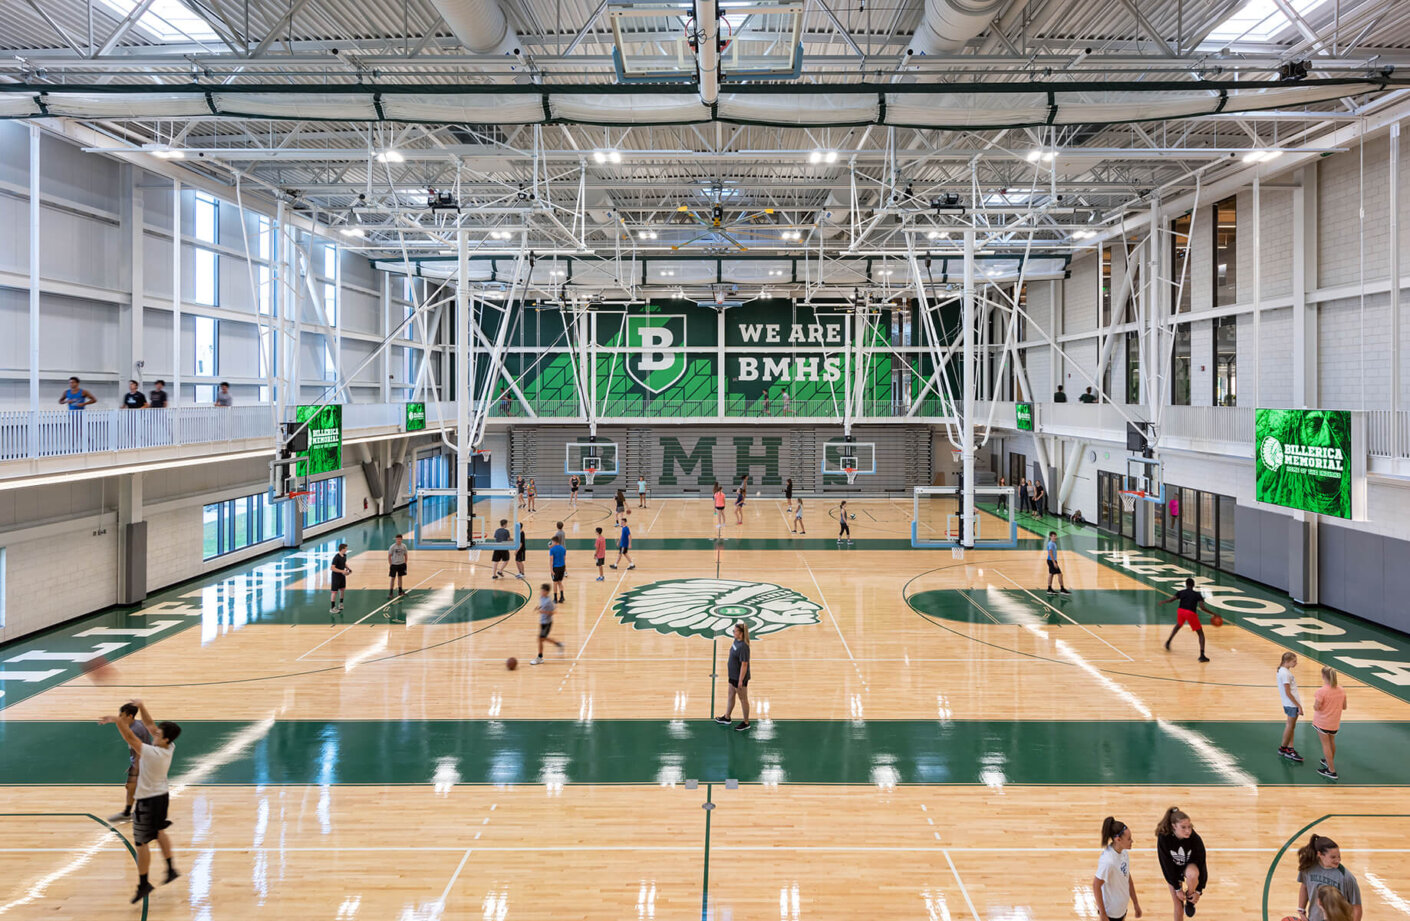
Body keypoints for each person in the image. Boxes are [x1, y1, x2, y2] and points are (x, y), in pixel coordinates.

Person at [109, 699, 181, 904]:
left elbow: (131, 738)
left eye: (158, 735)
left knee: (141, 843)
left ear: (165, 740)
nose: (153, 733)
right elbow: (150, 725)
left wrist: (117, 721)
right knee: (159, 832)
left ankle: (143, 884)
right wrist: (141, 707)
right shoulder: (170, 746)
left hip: (147, 802)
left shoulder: (152, 753)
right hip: (162, 797)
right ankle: (170, 869)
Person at [97, 701, 151, 822]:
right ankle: (128, 812)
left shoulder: (136, 729)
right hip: (141, 761)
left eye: (121, 715)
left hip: (143, 763)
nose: (120, 717)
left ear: (129, 716)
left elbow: (139, 749)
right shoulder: (136, 724)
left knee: (136, 788)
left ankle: (138, 813)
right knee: (132, 787)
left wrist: (136, 766)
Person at [1155, 807, 1207, 920]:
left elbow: (1202, 865)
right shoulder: (1163, 838)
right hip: (1173, 870)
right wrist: (1177, 888)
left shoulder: (1195, 838)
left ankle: (1190, 900)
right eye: (1183, 827)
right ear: (1174, 826)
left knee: (1193, 874)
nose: (1188, 830)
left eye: (1189, 827)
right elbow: (1166, 866)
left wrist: (1198, 891)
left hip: (1188, 865)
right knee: (1178, 906)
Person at [1296, 833, 1362, 921]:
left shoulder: (1347, 877)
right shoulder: (1308, 868)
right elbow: (1304, 886)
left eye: (1339, 856)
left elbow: (1357, 907)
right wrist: (1301, 910)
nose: (1338, 860)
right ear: (1320, 854)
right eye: (1333, 857)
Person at [1093, 817, 1141, 921]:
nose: (1132, 841)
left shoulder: (1123, 852)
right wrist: (1103, 914)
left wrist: (1136, 903)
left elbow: (1127, 877)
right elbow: (1096, 885)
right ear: (1118, 840)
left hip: (1121, 909)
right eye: (1129, 839)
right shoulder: (1108, 861)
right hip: (1110, 913)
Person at [1160, 577, 1212, 662]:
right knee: (1200, 633)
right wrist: (1212, 613)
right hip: (1190, 613)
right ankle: (1202, 655)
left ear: (1186, 584)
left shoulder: (1181, 592)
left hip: (1181, 611)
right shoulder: (1197, 594)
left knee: (1178, 625)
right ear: (1193, 585)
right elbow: (1202, 607)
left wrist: (1163, 601)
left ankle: (1168, 642)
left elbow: (1171, 600)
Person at [713, 622, 752, 731]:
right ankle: (727, 717)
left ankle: (746, 722)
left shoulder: (744, 646)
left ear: (741, 633)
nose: (733, 633)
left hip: (739, 678)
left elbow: (744, 665)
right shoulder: (736, 641)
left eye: (735, 631)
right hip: (733, 675)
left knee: (743, 699)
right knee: (730, 695)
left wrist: (740, 680)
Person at [1312, 666, 1347, 780]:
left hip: (1322, 722)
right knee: (1331, 742)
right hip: (1334, 722)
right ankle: (1328, 761)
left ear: (1323, 676)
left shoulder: (1321, 691)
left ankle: (1331, 771)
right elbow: (1344, 707)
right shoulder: (1341, 690)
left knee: (1325, 745)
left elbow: (1316, 707)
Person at [1278, 652, 1306, 762]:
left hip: (1289, 703)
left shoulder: (1282, 670)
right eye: (1294, 661)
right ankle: (1283, 748)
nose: (1296, 663)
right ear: (1287, 661)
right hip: (1291, 704)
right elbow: (1288, 692)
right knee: (1290, 726)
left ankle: (1290, 749)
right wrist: (1299, 706)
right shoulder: (1285, 674)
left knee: (1291, 726)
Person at [530, 583, 564, 665]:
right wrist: (538, 608)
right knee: (542, 639)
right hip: (542, 621)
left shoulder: (549, 601)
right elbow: (542, 606)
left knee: (541, 639)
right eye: (541, 590)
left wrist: (543, 612)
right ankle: (558, 644)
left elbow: (554, 612)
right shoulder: (541, 597)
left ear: (546, 592)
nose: (541, 592)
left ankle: (540, 658)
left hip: (547, 623)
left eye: (543, 591)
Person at [1045, 531, 1070, 595]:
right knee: (1060, 574)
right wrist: (1054, 562)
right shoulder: (1051, 544)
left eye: (1055, 536)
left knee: (1051, 574)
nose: (1055, 537)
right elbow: (1050, 552)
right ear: (1050, 536)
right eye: (1054, 536)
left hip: (1051, 560)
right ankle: (1062, 589)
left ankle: (1049, 588)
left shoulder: (1053, 543)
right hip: (1051, 561)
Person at [329, 543, 351, 612]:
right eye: (346, 548)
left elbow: (344, 563)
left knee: (342, 590)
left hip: (342, 576)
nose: (346, 550)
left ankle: (341, 604)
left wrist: (348, 568)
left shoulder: (344, 555)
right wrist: (342, 571)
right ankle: (332, 608)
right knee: (334, 592)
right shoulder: (336, 557)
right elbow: (332, 568)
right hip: (336, 576)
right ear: (342, 549)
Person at [387, 533, 408, 598]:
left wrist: (405, 563)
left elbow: (406, 555)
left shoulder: (404, 546)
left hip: (401, 564)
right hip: (394, 564)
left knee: (400, 578)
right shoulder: (392, 547)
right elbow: (389, 556)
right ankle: (391, 592)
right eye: (397, 539)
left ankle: (400, 591)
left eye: (399, 539)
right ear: (396, 539)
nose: (398, 540)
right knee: (392, 578)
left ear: (401, 539)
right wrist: (391, 564)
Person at [548, 535, 567, 603]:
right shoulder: (563, 549)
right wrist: (565, 568)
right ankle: (562, 597)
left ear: (555, 542)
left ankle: (555, 598)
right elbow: (564, 559)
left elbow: (551, 560)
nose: (551, 543)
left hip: (555, 568)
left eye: (552, 542)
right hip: (562, 567)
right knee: (560, 582)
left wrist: (551, 570)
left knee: (555, 583)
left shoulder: (552, 550)